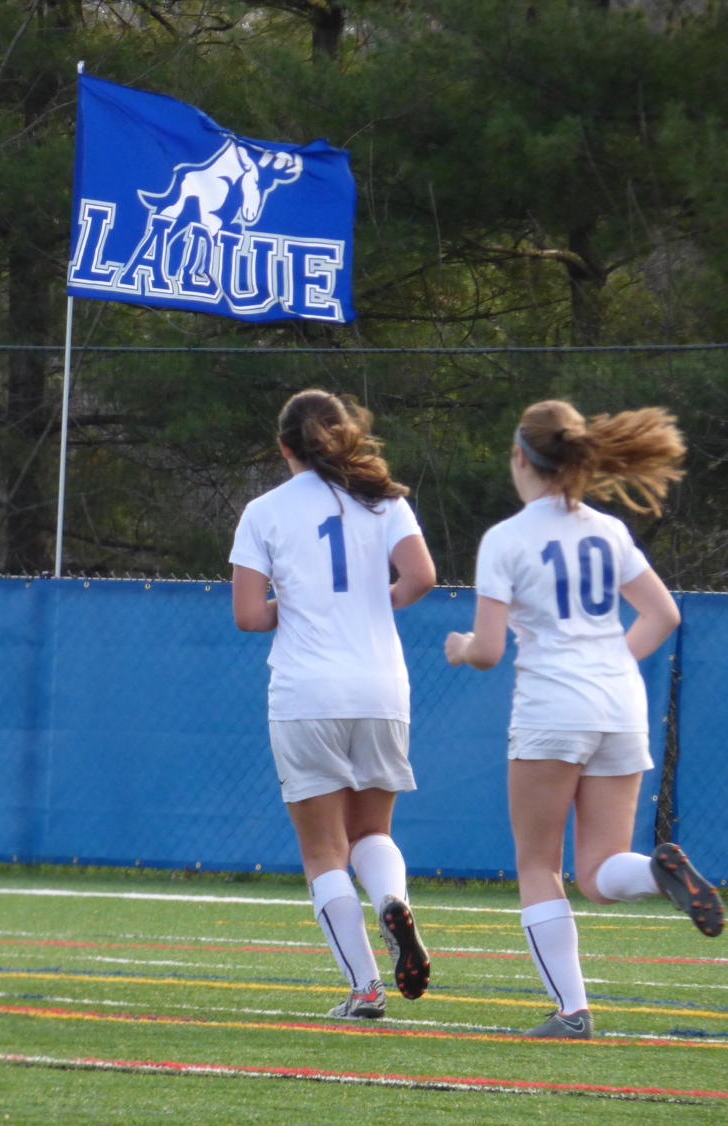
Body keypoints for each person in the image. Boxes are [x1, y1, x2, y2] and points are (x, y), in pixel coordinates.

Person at [444, 399, 724, 1041]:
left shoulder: (507, 539)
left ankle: (571, 1012)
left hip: (553, 706)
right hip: (620, 704)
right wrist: (607, 664)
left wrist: (460, 648)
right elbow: (664, 615)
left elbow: (486, 651)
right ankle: (657, 871)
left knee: (537, 863)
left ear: (521, 457)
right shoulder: (608, 530)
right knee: (598, 873)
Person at [229, 389, 436, 1021]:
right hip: (381, 686)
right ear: (343, 437)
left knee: (324, 850)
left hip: (307, 692)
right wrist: (373, 603)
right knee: (373, 831)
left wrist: (286, 607)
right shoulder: (384, 498)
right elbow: (422, 576)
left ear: (284, 447)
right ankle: (392, 901)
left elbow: (247, 616)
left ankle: (365, 989)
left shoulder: (263, 511)